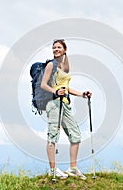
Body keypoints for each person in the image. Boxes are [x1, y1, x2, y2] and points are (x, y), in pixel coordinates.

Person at [41, 39, 92, 180]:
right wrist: (55, 92)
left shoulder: (64, 67)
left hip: (65, 104)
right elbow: (43, 85)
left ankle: (72, 168)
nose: (56, 49)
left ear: (64, 50)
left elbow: (66, 88)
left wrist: (82, 94)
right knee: (53, 137)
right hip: (54, 104)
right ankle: (52, 170)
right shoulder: (51, 65)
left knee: (75, 135)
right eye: (54, 47)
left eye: (59, 47)